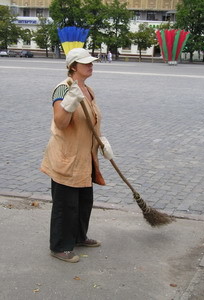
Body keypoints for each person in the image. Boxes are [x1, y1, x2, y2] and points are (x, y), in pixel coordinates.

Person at [41, 48, 114, 263]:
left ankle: (79, 237)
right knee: (65, 205)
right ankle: (60, 247)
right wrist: (69, 104)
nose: (91, 66)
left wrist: (101, 142)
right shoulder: (62, 90)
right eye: (86, 63)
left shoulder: (88, 89)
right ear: (73, 66)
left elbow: (92, 120)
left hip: (86, 157)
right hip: (67, 157)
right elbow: (61, 123)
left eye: (92, 62)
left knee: (84, 202)